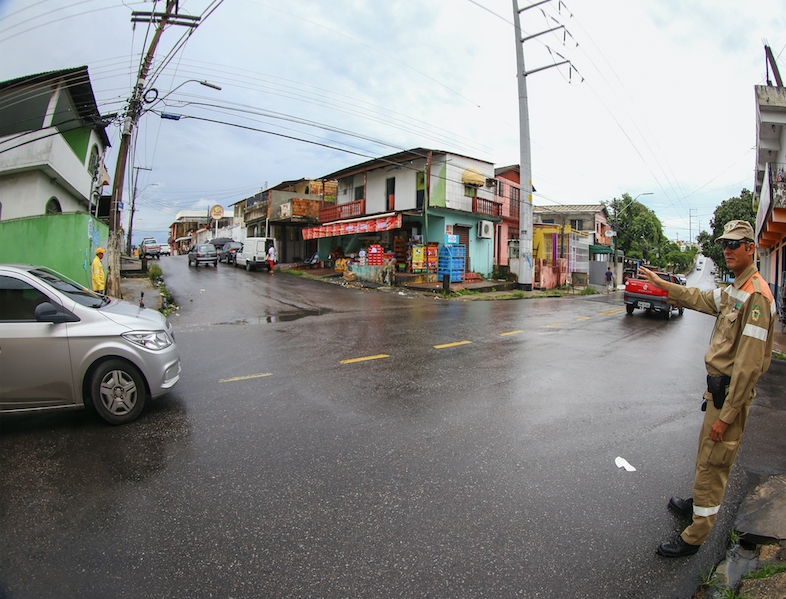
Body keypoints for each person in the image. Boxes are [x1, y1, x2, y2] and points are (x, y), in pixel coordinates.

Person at [638, 220, 775, 558]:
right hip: (717, 393)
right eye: (724, 244)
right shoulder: (737, 288)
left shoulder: (755, 295)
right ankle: (696, 504)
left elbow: (747, 367)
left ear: (750, 248)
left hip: (730, 397)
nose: (727, 250)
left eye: (734, 244)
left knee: (715, 463)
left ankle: (694, 537)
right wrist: (664, 285)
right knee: (705, 455)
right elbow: (700, 297)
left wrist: (726, 417)